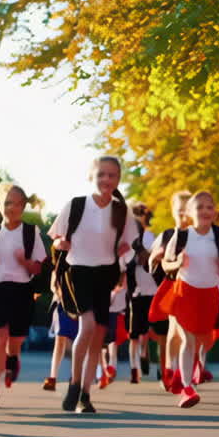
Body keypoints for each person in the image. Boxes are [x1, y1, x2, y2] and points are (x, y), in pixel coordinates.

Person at [47, 155, 138, 413]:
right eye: (101, 174)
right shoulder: (76, 205)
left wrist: (122, 249)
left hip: (105, 274)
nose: (106, 180)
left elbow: (128, 242)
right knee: (87, 327)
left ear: (118, 179)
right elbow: (55, 239)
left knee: (98, 335)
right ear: (92, 176)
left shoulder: (122, 211)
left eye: (111, 175)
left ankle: (86, 394)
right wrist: (60, 244)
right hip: (78, 273)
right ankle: (74, 384)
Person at [155, 191, 219, 408]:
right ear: (190, 212)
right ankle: (188, 389)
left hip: (208, 294)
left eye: (209, 207)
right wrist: (178, 262)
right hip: (184, 293)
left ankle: (181, 377)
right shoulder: (182, 236)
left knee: (204, 340)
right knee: (188, 340)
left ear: (215, 212)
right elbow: (166, 264)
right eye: (199, 207)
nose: (205, 211)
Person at [0, 183, 48, 409]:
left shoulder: (31, 232)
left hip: (22, 289)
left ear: (24, 207)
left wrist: (26, 263)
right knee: (0, 337)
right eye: (8, 202)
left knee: (15, 340)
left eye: (18, 204)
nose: (12, 208)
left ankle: (13, 359)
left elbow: (39, 267)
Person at [148, 191, 193, 391]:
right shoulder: (167, 235)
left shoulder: (201, 235)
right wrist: (156, 258)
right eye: (179, 209)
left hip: (196, 287)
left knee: (177, 333)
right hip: (174, 287)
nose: (183, 213)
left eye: (187, 209)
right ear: (173, 211)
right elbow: (152, 262)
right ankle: (178, 375)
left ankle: (171, 368)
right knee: (181, 330)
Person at [125, 202, 159, 384]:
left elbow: (155, 260)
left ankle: (145, 353)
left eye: (142, 215)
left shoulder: (152, 238)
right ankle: (134, 368)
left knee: (147, 331)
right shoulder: (128, 239)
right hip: (135, 291)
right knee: (134, 334)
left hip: (152, 289)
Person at [43, 298, 78, 391]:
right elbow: (53, 285)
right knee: (59, 340)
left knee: (79, 342)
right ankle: (52, 378)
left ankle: (75, 379)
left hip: (80, 305)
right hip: (62, 304)